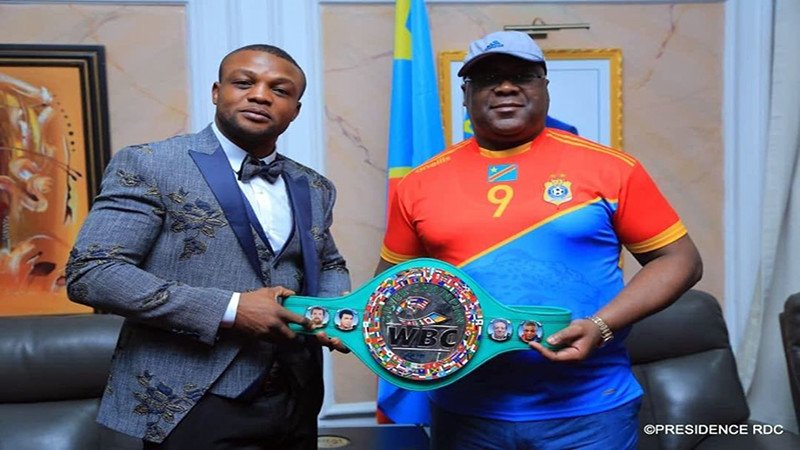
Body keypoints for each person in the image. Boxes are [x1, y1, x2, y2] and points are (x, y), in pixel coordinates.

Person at [376, 30, 702, 449]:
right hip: (465, 412)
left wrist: (601, 326)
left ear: (544, 87)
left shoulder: (612, 168)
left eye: (521, 76)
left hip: (591, 412)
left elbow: (681, 260)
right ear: (465, 95)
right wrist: (341, 323)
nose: (505, 87)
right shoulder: (419, 183)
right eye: (488, 77)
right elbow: (390, 290)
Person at [66, 44, 350, 449]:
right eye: (244, 83)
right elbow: (93, 272)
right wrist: (231, 309)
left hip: (296, 395)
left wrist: (333, 314)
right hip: (188, 401)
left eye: (279, 90)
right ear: (217, 92)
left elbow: (330, 262)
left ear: (295, 110)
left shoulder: (315, 185)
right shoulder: (150, 163)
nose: (260, 95)